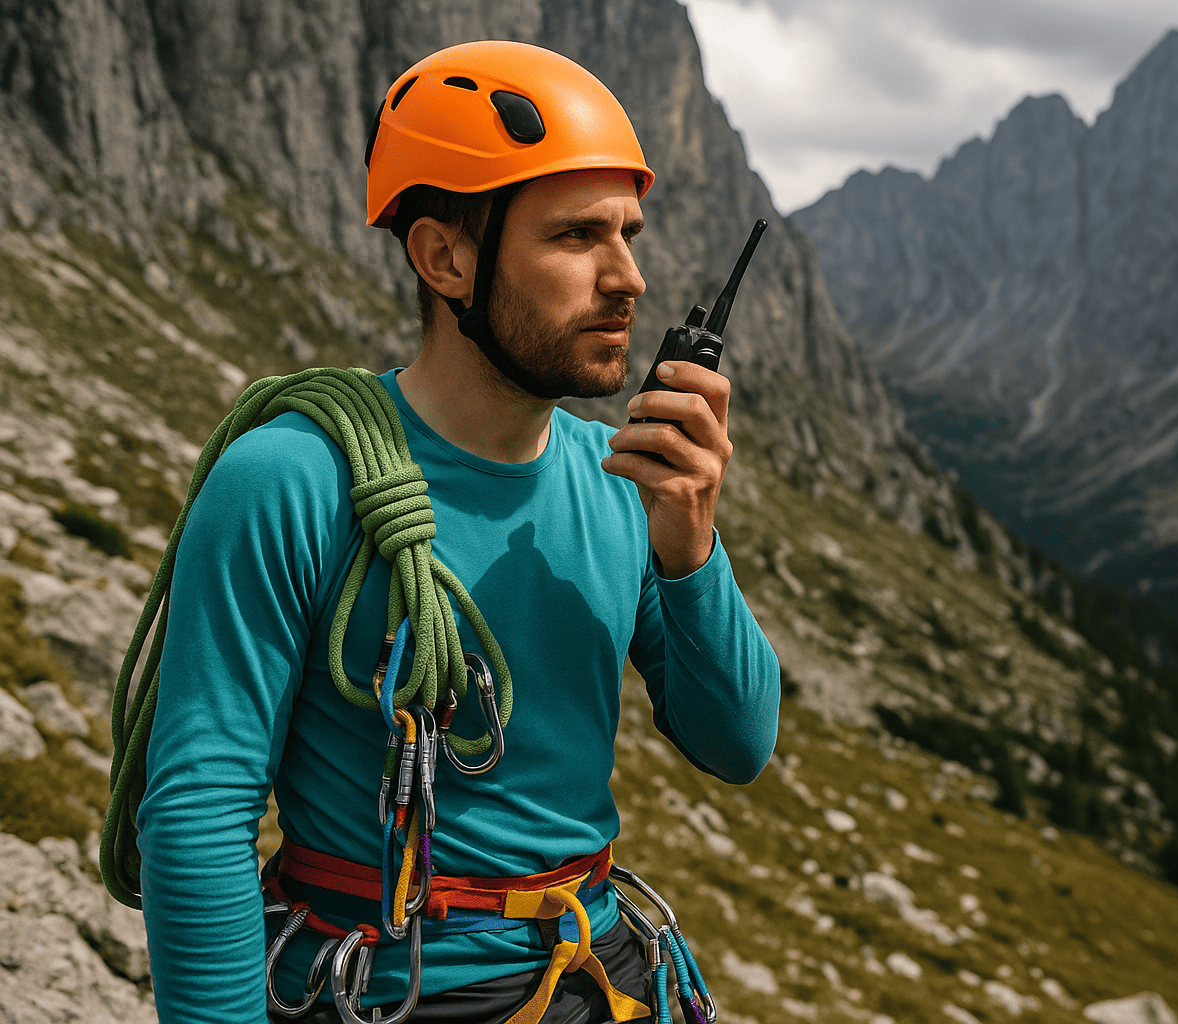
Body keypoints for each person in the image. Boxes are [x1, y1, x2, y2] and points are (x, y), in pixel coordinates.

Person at [133, 40, 780, 1024]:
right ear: (445, 258)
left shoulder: (621, 489)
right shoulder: (290, 480)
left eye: (629, 234)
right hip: (390, 992)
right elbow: (196, 815)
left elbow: (737, 743)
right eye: (576, 237)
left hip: (595, 971)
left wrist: (690, 550)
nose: (628, 278)